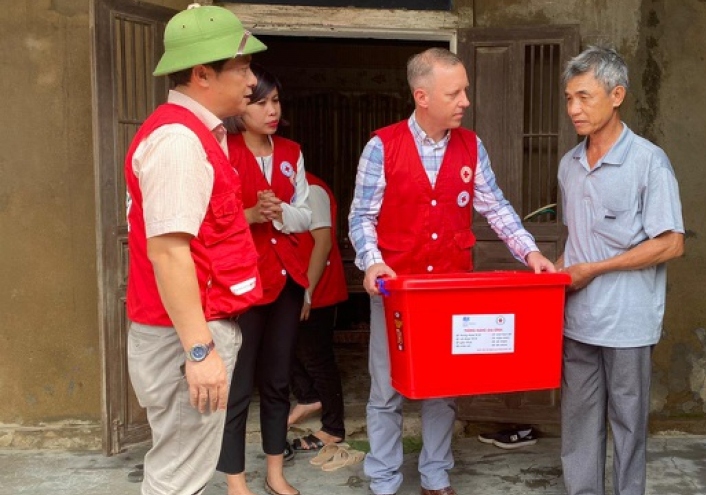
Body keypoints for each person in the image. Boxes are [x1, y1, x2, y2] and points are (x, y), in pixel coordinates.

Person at [348, 47, 556, 495]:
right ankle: (383, 480)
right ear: (422, 96)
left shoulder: (470, 145)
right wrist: (373, 260)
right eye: (455, 92)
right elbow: (361, 215)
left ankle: (435, 475)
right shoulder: (381, 146)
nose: (465, 100)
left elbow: (494, 206)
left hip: (448, 289)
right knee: (387, 388)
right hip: (396, 291)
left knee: (443, 386)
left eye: (465, 90)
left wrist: (530, 252)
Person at [124, 4, 266, 495]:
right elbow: (167, 253)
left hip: (186, 332)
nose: (252, 80)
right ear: (203, 74)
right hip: (183, 338)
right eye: (242, 67)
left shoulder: (199, 135)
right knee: (178, 478)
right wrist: (200, 351)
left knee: (181, 468)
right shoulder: (180, 142)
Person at [556, 46, 685, 495]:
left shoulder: (649, 161)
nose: (574, 108)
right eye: (569, 98)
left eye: (584, 97)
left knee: (628, 425)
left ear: (617, 95)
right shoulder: (569, 166)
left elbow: (672, 243)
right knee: (577, 424)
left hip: (628, 324)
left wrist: (595, 268)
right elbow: (576, 242)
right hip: (577, 321)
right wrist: (550, 278)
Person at [216, 65, 311, 495]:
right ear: (243, 110)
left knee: (276, 380)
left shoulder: (291, 152)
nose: (272, 110)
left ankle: (275, 472)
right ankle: (236, 480)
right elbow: (207, 219)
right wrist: (250, 215)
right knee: (238, 385)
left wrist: (280, 214)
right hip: (243, 283)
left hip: (287, 280)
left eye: (276, 101)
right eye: (261, 102)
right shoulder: (223, 148)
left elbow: (306, 215)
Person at [286, 171, 350, 453]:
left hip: (315, 290)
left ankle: (333, 428)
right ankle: (308, 397)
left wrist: (306, 292)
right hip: (292, 288)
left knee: (317, 358)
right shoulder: (279, 190)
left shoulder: (310, 188)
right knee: (285, 350)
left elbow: (323, 242)